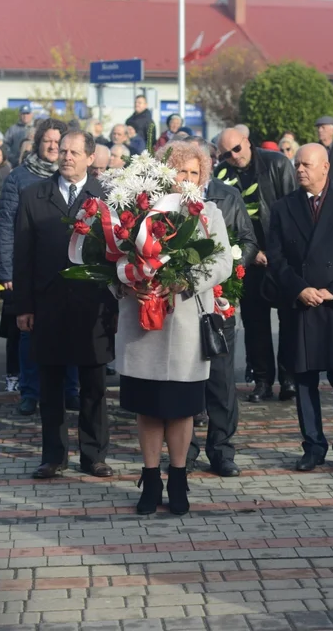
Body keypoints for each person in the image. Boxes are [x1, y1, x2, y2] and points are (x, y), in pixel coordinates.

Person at [119, 178, 232, 517]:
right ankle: (151, 477)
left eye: (193, 171)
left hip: (185, 320)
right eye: (179, 169)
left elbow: (222, 260)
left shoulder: (208, 212)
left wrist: (188, 280)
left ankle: (179, 478)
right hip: (144, 323)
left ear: (202, 177)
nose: (186, 178)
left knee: (182, 407)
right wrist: (129, 283)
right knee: (148, 405)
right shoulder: (139, 210)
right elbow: (115, 256)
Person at [13, 130, 116, 480]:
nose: (66, 156)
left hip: (94, 308)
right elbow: (22, 256)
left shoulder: (106, 197)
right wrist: (23, 306)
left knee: (93, 386)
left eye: (74, 151)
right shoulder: (33, 196)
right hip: (48, 305)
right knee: (51, 386)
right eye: (62, 150)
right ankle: (53, 456)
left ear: (90, 157)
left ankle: (94, 455)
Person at [266, 144, 333, 474]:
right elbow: (277, 257)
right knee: (305, 380)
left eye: (306, 165)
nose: (299, 170)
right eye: (297, 164)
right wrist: (300, 289)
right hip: (303, 304)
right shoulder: (284, 207)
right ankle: (312, 446)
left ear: (325, 167)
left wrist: (332, 291)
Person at [174, 139, 258, 478]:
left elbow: (248, 241)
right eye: (186, 167)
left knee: (221, 383)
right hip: (180, 305)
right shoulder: (168, 200)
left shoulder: (227, 196)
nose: (193, 173)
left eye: (201, 164)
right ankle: (186, 450)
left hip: (219, 302)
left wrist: (234, 272)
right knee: (186, 382)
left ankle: (222, 451)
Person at [0, 118, 80, 415]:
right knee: (29, 331)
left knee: (70, 331)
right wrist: (6, 272)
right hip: (27, 268)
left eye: (59, 143)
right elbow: (4, 226)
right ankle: (30, 392)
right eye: (48, 142)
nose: (54, 148)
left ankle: (70, 390)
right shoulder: (19, 178)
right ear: (38, 143)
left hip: (65, 268)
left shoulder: (70, 178)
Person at [215, 127, 298, 403]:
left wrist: (274, 251)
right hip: (248, 257)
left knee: (289, 320)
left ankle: (289, 378)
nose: (233, 157)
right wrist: (252, 253)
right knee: (254, 323)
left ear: (246, 142)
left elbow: (292, 210)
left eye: (236, 149)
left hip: (282, 255)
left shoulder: (276, 163)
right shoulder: (221, 175)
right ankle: (262, 380)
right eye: (226, 154)